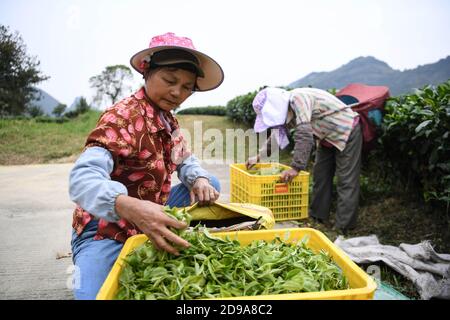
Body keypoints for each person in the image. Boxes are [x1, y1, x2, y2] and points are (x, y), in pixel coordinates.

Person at [69, 32, 224, 299]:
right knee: (92, 296)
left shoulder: (167, 120)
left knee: (209, 184)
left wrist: (197, 178)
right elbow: (82, 179)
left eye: (187, 87)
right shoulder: (121, 117)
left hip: (151, 212)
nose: (177, 92)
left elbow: (184, 160)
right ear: (146, 72)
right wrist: (129, 207)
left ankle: (161, 230)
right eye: (170, 80)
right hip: (107, 227)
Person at [246, 87, 362, 234]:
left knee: (346, 180)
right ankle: (318, 217)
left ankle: (344, 226)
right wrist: (259, 156)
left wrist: (295, 167)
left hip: (346, 131)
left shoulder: (298, 99)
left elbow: (304, 134)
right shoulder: (287, 109)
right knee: (320, 176)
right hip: (325, 136)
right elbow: (277, 136)